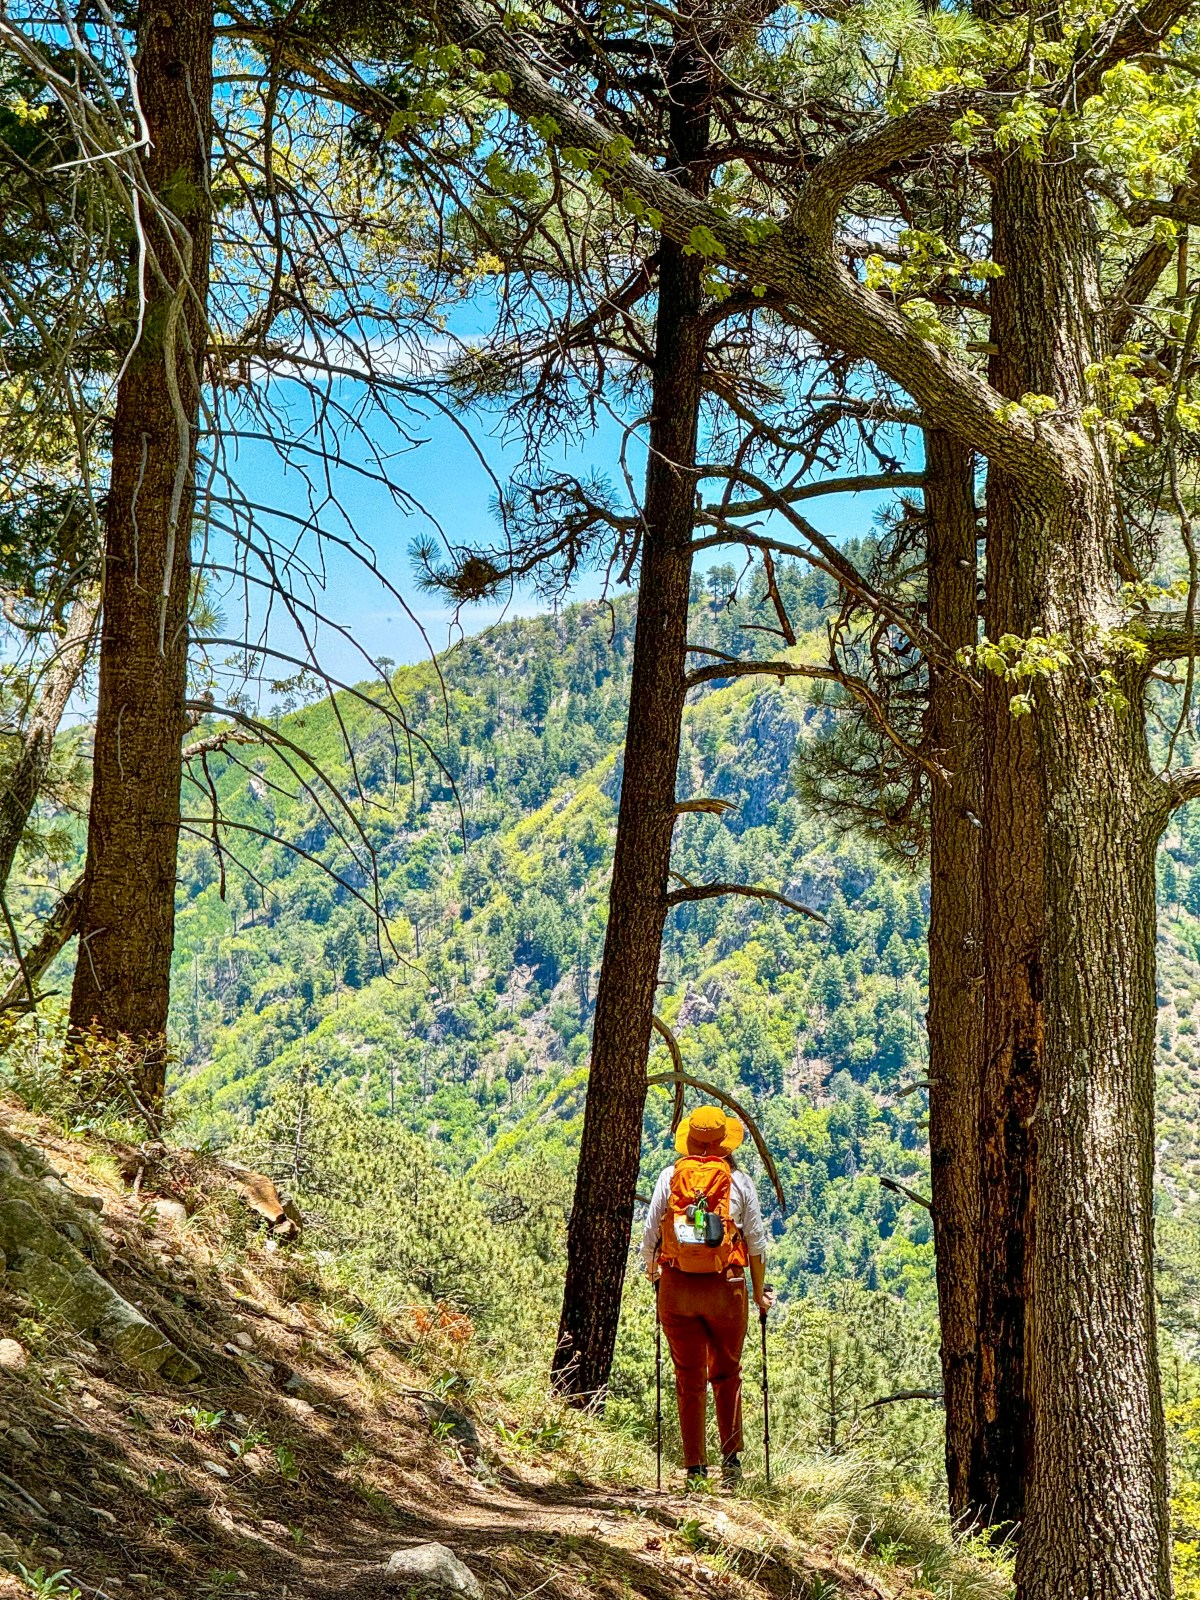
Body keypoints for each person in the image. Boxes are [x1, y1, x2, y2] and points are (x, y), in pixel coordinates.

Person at [642, 1104, 774, 1488]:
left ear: (690, 1142)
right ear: (725, 1145)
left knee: (688, 1375)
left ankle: (695, 1469)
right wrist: (757, 1295)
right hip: (726, 1288)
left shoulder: (670, 1178)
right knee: (727, 1372)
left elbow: (650, 1239)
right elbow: (756, 1245)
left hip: (677, 1287)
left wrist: (656, 1279)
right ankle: (731, 1463)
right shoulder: (740, 1183)